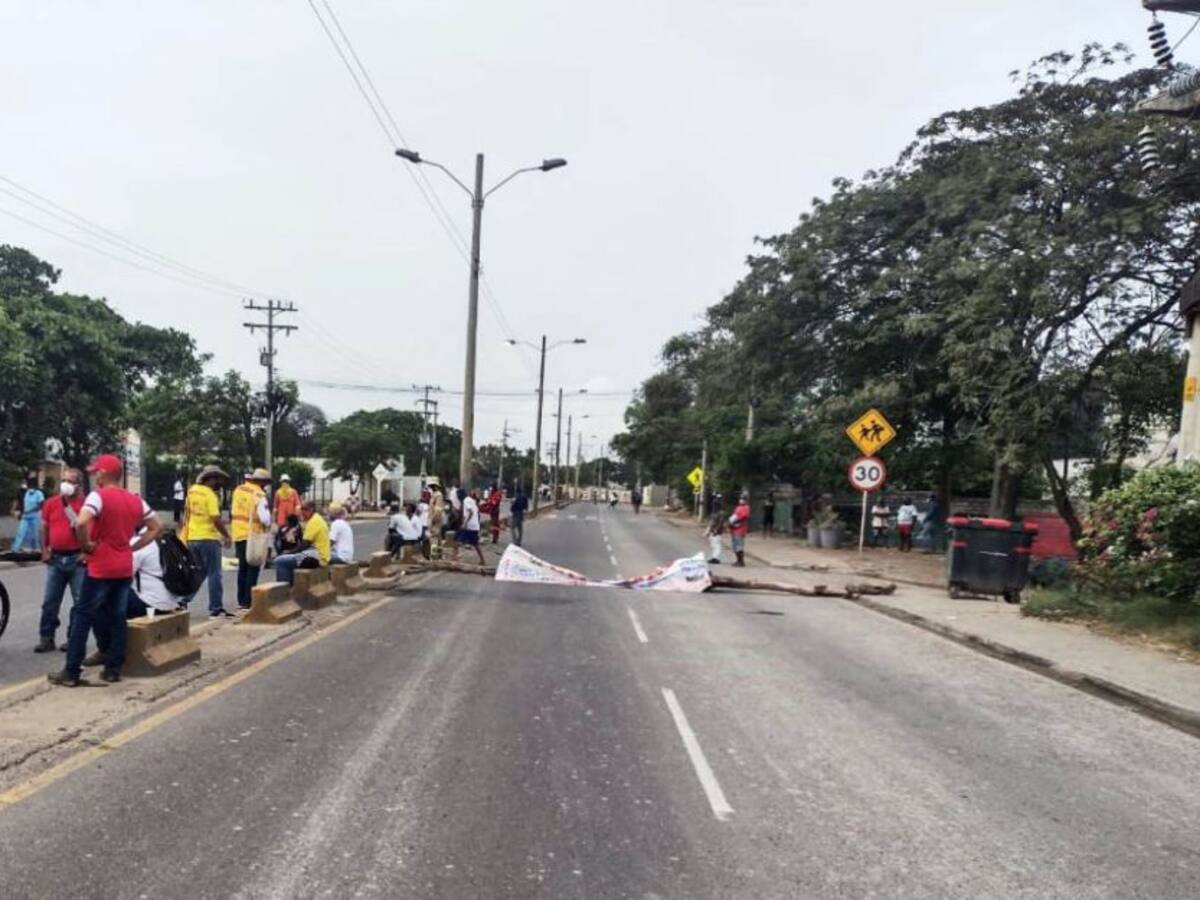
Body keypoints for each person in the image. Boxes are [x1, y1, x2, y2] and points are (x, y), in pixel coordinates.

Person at [49, 453, 160, 687]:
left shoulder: (97, 497)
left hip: (100, 567)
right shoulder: (135, 500)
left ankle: (71, 671)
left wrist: (85, 545)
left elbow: (80, 523)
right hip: (123, 567)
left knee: (82, 616)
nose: (95, 476)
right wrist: (133, 546)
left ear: (104, 473)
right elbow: (155, 527)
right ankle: (113, 669)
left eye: (96, 472)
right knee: (117, 617)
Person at [34, 467, 85, 653]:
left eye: (71, 482)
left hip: (77, 559)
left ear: (78, 485)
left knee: (79, 603)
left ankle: (74, 638)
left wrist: (86, 553)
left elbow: (93, 531)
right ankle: (46, 638)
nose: (66, 485)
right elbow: (44, 527)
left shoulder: (86, 504)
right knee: (50, 601)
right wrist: (44, 550)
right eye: (64, 480)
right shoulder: (51, 503)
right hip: (55, 558)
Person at [183, 465, 233, 618]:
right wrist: (226, 535)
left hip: (192, 537)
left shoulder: (191, 492)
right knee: (214, 573)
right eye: (217, 479)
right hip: (208, 538)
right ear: (210, 479)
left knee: (198, 572)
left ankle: (182, 600)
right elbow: (215, 518)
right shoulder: (210, 495)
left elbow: (186, 515)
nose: (219, 483)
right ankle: (216, 608)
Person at [230, 468, 272, 610]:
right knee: (252, 568)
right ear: (261, 481)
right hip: (253, 535)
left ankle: (241, 600)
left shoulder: (238, 490)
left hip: (238, 533)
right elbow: (265, 518)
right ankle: (249, 601)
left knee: (242, 568)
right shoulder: (259, 494)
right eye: (266, 482)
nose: (266, 485)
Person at [274, 500, 330, 585]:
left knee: (280, 561)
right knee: (289, 560)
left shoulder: (314, 522)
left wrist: (289, 552)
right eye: (302, 509)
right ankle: (290, 586)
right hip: (318, 554)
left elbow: (304, 545)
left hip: (317, 557)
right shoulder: (316, 518)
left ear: (312, 509)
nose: (302, 512)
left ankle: (284, 592)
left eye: (305, 509)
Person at [451, 488, 486, 566]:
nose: (457, 497)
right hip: (474, 526)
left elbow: (471, 512)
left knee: (455, 538)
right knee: (475, 544)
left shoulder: (466, 500)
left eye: (458, 495)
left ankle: (454, 558)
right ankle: (482, 560)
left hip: (469, 526)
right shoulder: (470, 500)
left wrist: (465, 523)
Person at [13, 475, 45, 553]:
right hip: (25, 515)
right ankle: (15, 549)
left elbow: (41, 505)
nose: (28, 486)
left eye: (29, 484)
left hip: (34, 515)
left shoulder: (39, 493)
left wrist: (30, 510)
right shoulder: (25, 493)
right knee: (21, 531)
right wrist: (18, 511)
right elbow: (20, 502)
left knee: (34, 533)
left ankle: (35, 548)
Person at [729, 493, 751, 567]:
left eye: (743, 499)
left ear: (746, 500)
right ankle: (738, 560)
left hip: (740, 529)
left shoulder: (746, 507)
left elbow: (744, 517)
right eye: (741, 498)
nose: (741, 500)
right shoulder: (738, 507)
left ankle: (741, 562)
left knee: (739, 545)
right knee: (735, 545)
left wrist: (735, 522)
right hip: (734, 528)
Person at [705, 496, 726, 564]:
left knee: (715, 545)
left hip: (715, 531)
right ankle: (715, 558)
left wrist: (708, 531)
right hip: (716, 532)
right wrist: (714, 530)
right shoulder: (719, 513)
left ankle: (715, 558)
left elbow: (713, 523)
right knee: (716, 545)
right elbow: (718, 523)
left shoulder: (715, 513)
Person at [428, 482, 446, 559]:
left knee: (434, 538)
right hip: (435, 519)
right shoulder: (435, 495)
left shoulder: (438, 495)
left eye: (433, 486)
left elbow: (438, 510)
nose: (432, 488)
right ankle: (440, 555)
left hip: (435, 520)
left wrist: (433, 519)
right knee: (438, 538)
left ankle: (434, 556)